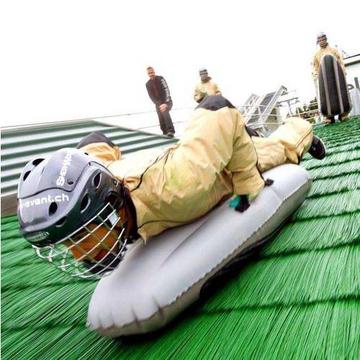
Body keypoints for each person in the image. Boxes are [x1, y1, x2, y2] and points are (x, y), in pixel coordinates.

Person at [17, 95, 326, 279]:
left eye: (80, 237)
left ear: (108, 210)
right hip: (141, 168)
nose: (76, 253)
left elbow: (217, 106)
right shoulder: (101, 178)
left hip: (215, 159)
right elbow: (95, 143)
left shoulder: (181, 187)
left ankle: (301, 134)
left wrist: (247, 183)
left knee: (279, 150)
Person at [311, 32, 348, 124]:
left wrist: (343, 72)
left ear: (326, 40)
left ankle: (343, 114)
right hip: (325, 80)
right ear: (318, 42)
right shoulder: (316, 54)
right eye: (320, 40)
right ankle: (329, 116)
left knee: (340, 92)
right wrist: (316, 75)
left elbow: (340, 61)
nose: (322, 42)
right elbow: (315, 66)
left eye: (323, 39)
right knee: (325, 96)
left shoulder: (333, 50)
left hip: (336, 78)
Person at [145, 66, 175, 137]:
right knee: (160, 116)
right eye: (149, 73)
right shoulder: (147, 84)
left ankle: (171, 131)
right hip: (158, 103)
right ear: (147, 74)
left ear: (154, 71)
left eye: (152, 72)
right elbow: (151, 96)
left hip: (167, 100)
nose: (151, 74)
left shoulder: (161, 78)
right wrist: (159, 104)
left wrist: (166, 103)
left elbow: (166, 90)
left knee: (164, 111)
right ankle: (164, 133)